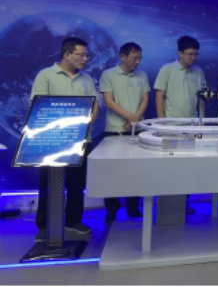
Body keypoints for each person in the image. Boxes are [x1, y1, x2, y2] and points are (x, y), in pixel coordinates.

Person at [31, 38, 100, 243]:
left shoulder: (86, 79)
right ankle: (45, 226)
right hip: (52, 140)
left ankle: (73, 221)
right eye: (81, 55)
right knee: (49, 184)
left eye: (87, 55)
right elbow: (39, 105)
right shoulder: (46, 75)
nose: (85, 59)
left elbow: (94, 105)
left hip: (81, 140)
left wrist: (82, 128)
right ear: (67, 54)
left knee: (77, 183)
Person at [155, 36, 206, 215]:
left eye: (196, 54)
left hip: (191, 127)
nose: (193, 57)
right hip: (171, 128)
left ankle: (183, 202)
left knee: (188, 167)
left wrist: (202, 122)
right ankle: (166, 205)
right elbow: (159, 96)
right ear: (180, 53)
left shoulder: (198, 71)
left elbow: (202, 98)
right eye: (190, 54)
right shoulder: (167, 69)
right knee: (169, 167)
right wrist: (162, 123)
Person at [100, 42, 150, 223]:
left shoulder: (142, 74)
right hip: (115, 131)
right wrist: (131, 117)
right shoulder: (108, 75)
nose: (137, 62)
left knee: (136, 171)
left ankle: (133, 205)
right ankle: (111, 209)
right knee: (111, 172)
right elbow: (109, 102)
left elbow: (145, 99)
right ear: (123, 56)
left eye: (139, 58)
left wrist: (135, 119)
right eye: (134, 58)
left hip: (137, 131)